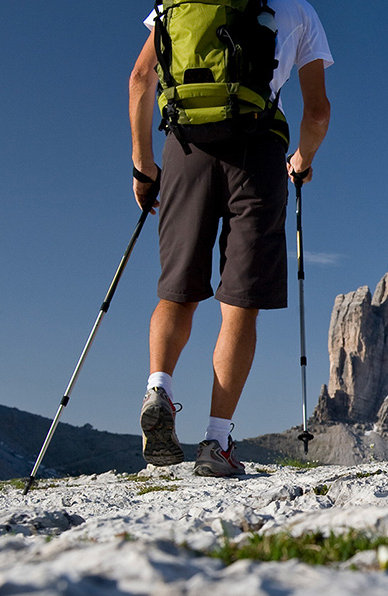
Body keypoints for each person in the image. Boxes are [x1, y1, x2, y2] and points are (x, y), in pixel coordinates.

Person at [128, 0, 332, 476]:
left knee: (177, 290)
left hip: (185, 147)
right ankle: (216, 443)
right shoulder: (298, 10)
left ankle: (159, 386)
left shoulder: (180, 1)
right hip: (258, 152)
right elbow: (317, 111)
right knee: (239, 304)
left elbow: (141, 79)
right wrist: (303, 159)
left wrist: (143, 166)